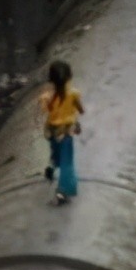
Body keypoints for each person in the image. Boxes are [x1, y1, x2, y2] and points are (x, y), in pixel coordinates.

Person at [40, 60, 84, 205]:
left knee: (56, 152)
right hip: (66, 132)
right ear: (69, 77)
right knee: (67, 162)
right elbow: (80, 110)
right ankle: (63, 191)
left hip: (52, 131)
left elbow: (46, 111)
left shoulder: (46, 98)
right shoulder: (74, 94)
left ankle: (52, 167)